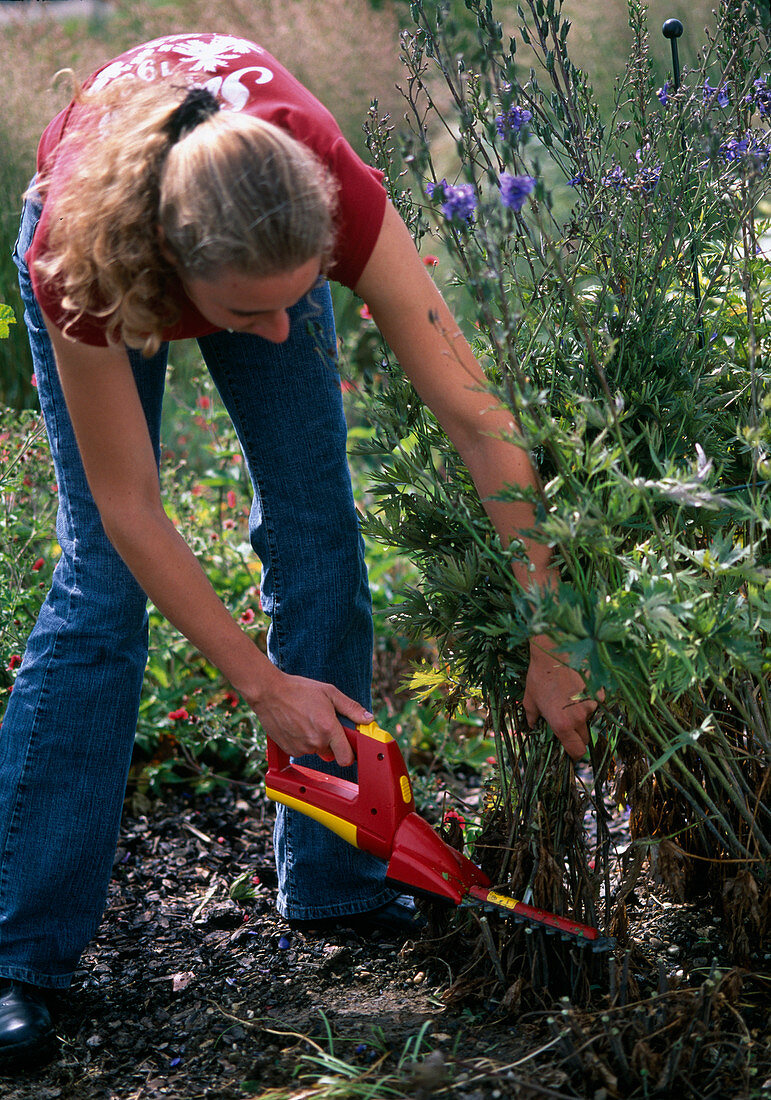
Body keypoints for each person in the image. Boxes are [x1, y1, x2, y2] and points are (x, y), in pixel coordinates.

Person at [0, 32, 597, 1064]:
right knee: (102, 585)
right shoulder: (85, 255)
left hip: (250, 230)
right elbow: (132, 509)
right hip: (117, 228)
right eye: (246, 315)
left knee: (319, 526)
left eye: (302, 296)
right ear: (177, 278)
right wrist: (262, 682)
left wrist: (553, 636)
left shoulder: (324, 198)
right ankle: (16, 948)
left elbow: (477, 417)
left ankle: (335, 884)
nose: (279, 336)